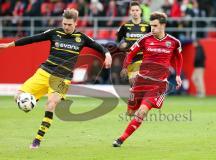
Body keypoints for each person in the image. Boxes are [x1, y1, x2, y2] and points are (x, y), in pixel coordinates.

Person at [0, 8, 112, 149]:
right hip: (44, 72)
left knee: (51, 104)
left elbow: (100, 47)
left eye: (69, 24)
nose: (66, 27)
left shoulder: (82, 38)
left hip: (62, 78)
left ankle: (37, 140)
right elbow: (33, 39)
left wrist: (107, 55)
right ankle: (34, 99)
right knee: (17, 97)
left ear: (76, 24)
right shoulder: (54, 33)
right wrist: (10, 45)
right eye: (64, 23)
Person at [112, 12, 183, 147]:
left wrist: (178, 75)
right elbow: (130, 54)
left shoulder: (174, 42)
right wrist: (125, 67)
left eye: (155, 26)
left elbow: (179, 58)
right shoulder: (145, 39)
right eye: (151, 26)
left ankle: (120, 139)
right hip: (141, 81)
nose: (152, 29)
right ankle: (132, 103)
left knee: (142, 112)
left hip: (158, 85)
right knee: (130, 112)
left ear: (163, 25)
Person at [116, 1, 151, 85]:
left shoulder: (147, 26)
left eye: (137, 10)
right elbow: (118, 41)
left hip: (143, 57)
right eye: (133, 10)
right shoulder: (125, 26)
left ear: (140, 11)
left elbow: (152, 41)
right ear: (130, 12)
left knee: (136, 81)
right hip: (130, 58)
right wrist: (122, 45)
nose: (135, 12)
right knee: (133, 84)